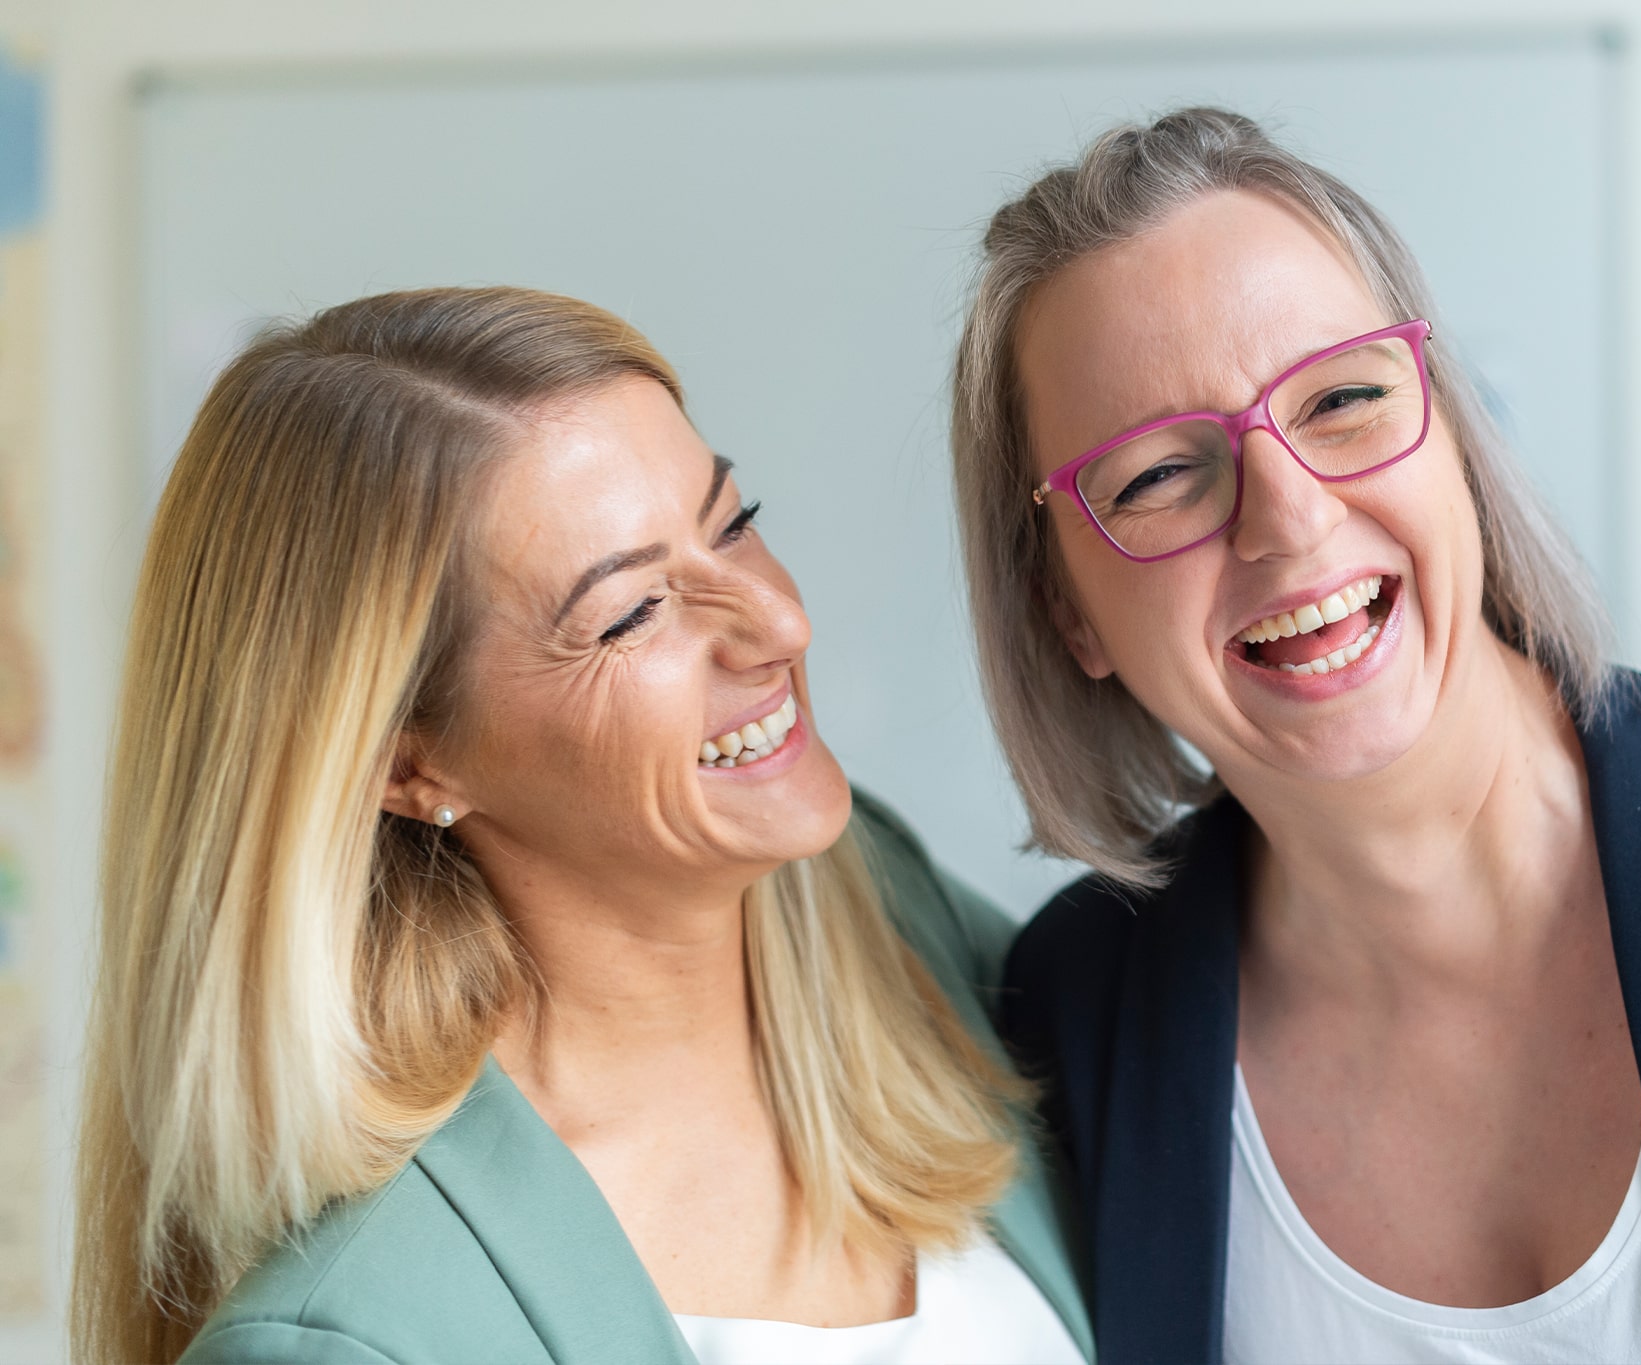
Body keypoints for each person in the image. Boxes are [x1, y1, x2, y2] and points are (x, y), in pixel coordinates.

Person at [951, 107, 1641, 1364]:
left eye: (1343, 399)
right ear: (1066, 615)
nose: (1289, 519)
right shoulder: (1073, 1015)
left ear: (1453, 434)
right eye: (1155, 474)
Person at [72, 287, 1091, 1365]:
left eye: (733, 524)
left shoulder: (899, 922)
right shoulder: (350, 1339)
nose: (780, 624)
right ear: (405, 761)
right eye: (631, 614)